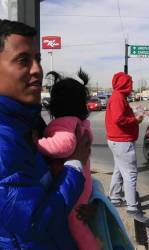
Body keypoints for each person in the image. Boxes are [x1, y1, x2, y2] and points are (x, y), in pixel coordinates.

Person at [0, 19, 89, 249]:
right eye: (23, 60)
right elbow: (37, 222)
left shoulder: (22, 119)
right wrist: (76, 166)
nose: (37, 70)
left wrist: (80, 200)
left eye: (38, 59)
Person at [36, 69, 100, 250]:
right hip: (80, 183)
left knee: (76, 225)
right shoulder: (78, 122)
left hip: (75, 188)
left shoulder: (66, 122)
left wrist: (36, 144)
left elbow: (65, 145)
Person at [105, 72, 148, 223]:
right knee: (130, 174)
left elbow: (121, 117)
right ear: (125, 84)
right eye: (130, 83)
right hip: (122, 142)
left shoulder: (118, 97)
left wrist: (135, 116)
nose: (132, 86)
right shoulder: (118, 98)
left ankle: (115, 198)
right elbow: (119, 119)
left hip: (118, 141)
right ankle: (132, 208)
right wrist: (136, 119)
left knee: (118, 170)